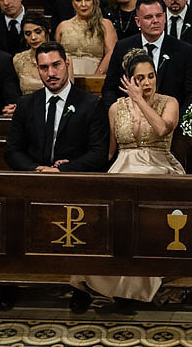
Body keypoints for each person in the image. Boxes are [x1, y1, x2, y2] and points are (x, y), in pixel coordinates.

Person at [69, 48, 184, 313]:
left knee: (138, 206)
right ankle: (98, 285)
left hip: (158, 166)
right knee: (103, 213)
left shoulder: (169, 102)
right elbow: (108, 151)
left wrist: (140, 101)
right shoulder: (114, 109)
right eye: (140, 78)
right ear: (129, 80)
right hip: (122, 166)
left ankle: (134, 289)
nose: (147, 83)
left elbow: (162, 129)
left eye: (151, 76)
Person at [4, 41, 110, 172]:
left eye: (56, 65)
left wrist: (64, 169)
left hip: (74, 180)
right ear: (38, 69)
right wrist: (37, 169)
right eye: (44, 68)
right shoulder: (26, 104)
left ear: (67, 64)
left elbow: (99, 154)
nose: (51, 73)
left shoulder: (91, 105)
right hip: (33, 179)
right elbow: (12, 151)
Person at [101, 0, 192, 111]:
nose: (155, 21)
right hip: (131, 120)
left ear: (164, 18)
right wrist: (118, 115)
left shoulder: (184, 51)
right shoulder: (122, 48)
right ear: (138, 22)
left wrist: (177, 121)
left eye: (159, 16)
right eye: (148, 17)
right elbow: (109, 89)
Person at [55, 0, 117, 77]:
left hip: (97, 78)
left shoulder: (105, 24)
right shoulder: (62, 26)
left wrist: (96, 77)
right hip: (66, 80)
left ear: (94, 1)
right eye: (78, 0)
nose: (83, 4)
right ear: (73, 3)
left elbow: (111, 53)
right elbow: (56, 56)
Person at [13, 14, 54, 95]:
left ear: (47, 31)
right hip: (26, 105)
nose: (33, 37)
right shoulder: (18, 59)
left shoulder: (61, 57)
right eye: (28, 33)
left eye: (38, 32)